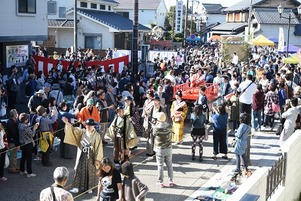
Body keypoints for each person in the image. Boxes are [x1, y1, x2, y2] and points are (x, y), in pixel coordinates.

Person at [62, 117, 103, 194]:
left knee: (90, 171)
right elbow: (73, 130)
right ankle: (76, 186)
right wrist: (67, 123)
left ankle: (89, 187)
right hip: (82, 153)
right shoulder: (82, 132)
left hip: (91, 155)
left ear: (94, 126)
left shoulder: (97, 135)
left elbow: (99, 148)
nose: (88, 127)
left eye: (90, 125)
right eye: (87, 125)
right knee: (78, 170)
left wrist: (97, 159)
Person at [153, 112, 174, 188]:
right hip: (168, 147)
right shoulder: (169, 126)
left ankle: (160, 181)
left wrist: (155, 124)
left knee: (160, 165)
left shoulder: (157, 128)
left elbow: (153, 134)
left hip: (160, 149)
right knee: (169, 165)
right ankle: (171, 181)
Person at [18, 113, 39, 177]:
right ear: (26, 120)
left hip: (22, 143)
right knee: (29, 159)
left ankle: (22, 170)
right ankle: (29, 173)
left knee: (23, 157)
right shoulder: (25, 126)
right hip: (28, 143)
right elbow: (32, 135)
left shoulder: (19, 125)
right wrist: (34, 128)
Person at [6, 109, 20, 173]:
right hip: (12, 141)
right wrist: (17, 143)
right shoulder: (11, 122)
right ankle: (12, 168)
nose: (17, 114)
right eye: (16, 113)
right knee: (13, 155)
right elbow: (14, 133)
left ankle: (15, 166)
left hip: (13, 141)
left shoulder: (13, 121)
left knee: (14, 155)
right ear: (14, 115)